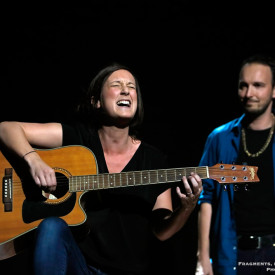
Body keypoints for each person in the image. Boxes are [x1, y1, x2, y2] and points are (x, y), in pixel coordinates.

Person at [0, 63, 202, 275]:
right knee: (51, 227)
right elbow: (7, 128)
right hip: (79, 265)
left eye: (131, 87)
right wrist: (34, 161)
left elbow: (162, 231)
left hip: (127, 271)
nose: (126, 90)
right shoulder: (77, 139)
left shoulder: (154, 160)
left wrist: (187, 207)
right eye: (117, 84)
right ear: (96, 101)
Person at [196, 54, 275, 275]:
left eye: (258, 85)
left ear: (273, 90)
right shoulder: (219, 138)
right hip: (233, 253)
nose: (249, 93)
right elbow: (206, 197)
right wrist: (203, 259)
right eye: (243, 86)